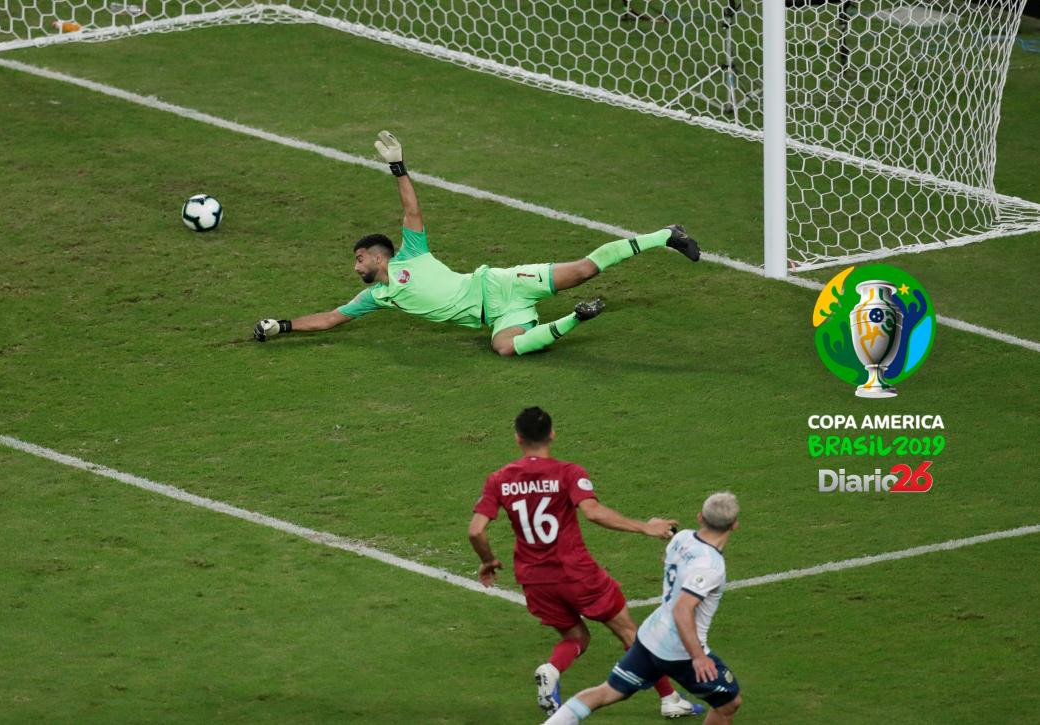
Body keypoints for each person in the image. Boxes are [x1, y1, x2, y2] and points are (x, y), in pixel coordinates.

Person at [253, 131, 700, 356]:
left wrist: (398, 167)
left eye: (358, 259)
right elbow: (331, 319)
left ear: (377, 255)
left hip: (502, 285)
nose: (355, 268)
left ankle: (666, 235)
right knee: (505, 347)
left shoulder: (411, 252)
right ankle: (577, 319)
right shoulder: (377, 297)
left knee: (583, 270)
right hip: (498, 315)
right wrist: (283, 326)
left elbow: (412, 212)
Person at [468, 407, 703, 718]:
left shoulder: (498, 479)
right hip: (576, 573)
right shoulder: (568, 472)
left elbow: (475, 530)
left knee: (577, 637)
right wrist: (645, 527)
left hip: (534, 580)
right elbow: (592, 512)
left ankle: (551, 670)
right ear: (552, 434)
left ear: (517, 439)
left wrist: (488, 560)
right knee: (631, 634)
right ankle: (670, 699)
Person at [543, 492, 743, 725]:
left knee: (606, 691)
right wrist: (698, 657)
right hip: (680, 651)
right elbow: (682, 610)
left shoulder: (683, 538)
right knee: (729, 702)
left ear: (700, 517)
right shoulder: (711, 566)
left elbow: (672, 560)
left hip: (650, 637)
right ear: (735, 525)